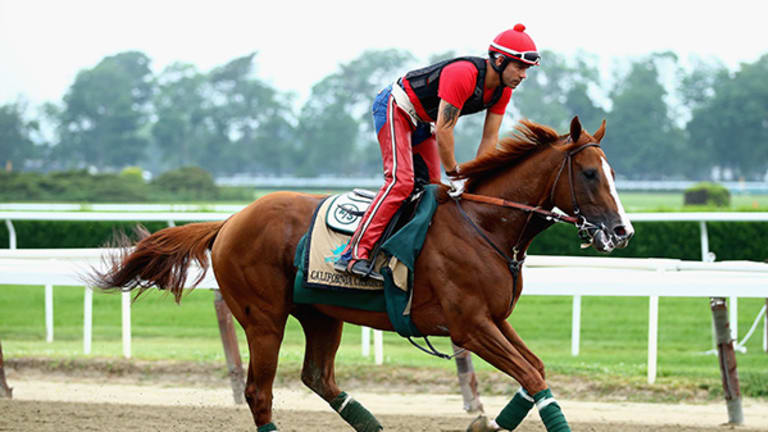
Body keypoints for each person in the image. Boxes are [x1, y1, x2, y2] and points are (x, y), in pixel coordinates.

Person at [335, 23, 540, 280]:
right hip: (395, 107)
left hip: (422, 122)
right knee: (401, 182)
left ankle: (404, 254)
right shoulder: (463, 74)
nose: (524, 75)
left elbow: (489, 138)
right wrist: (455, 173)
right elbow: (445, 129)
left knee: (434, 191)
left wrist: (476, 179)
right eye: (520, 67)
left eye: (527, 69)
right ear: (499, 60)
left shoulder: (503, 91)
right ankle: (353, 254)